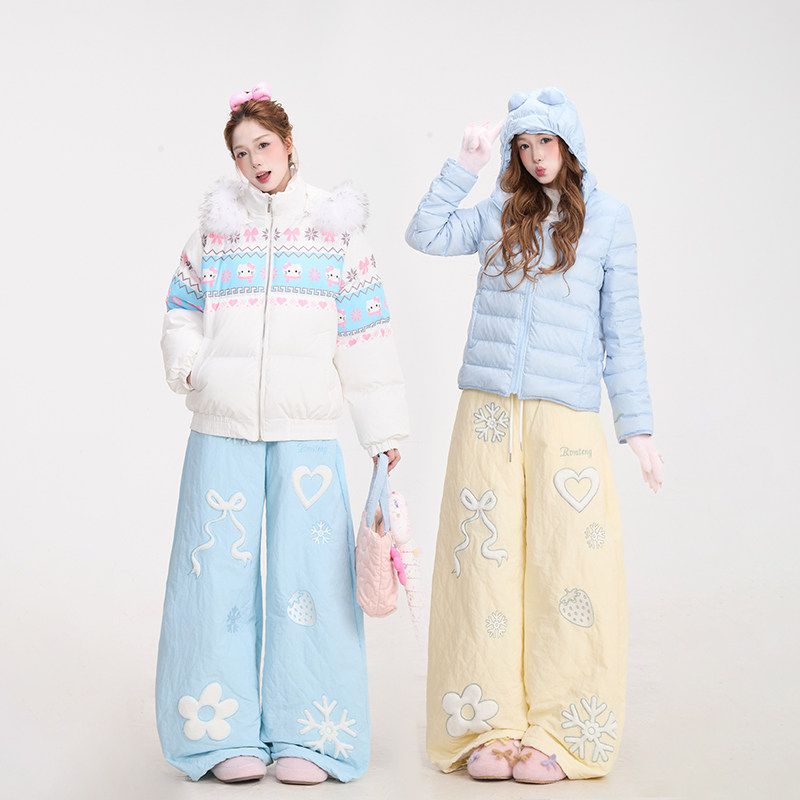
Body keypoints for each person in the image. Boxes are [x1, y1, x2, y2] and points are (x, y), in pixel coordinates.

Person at [405, 87, 663, 784]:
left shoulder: (608, 219)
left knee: (567, 572)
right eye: (523, 146)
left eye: (545, 142)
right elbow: (424, 234)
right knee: (480, 569)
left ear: (569, 145)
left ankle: (559, 731)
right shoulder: (498, 211)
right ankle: (486, 725)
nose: (535, 157)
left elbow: (623, 332)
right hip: (488, 410)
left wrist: (636, 427)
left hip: (565, 417)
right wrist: (464, 166)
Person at [156, 82, 407, 785]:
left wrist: (383, 430)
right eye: (241, 153)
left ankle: (310, 733)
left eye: (263, 145)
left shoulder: (336, 230)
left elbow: (365, 333)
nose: (255, 161)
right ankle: (217, 733)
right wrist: (193, 370)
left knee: (312, 584)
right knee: (212, 582)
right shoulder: (215, 231)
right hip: (222, 429)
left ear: (289, 143)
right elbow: (181, 310)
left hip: (306, 434)